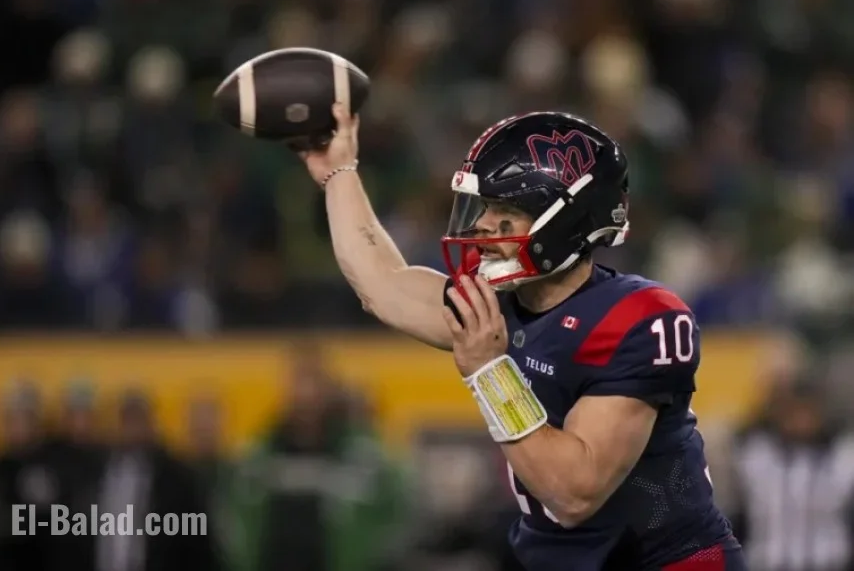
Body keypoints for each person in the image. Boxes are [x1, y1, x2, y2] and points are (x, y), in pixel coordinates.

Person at [297, 104, 746, 570]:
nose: (485, 225)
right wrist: (339, 173)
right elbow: (383, 285)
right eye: (487, 207)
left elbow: (575, 493)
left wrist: (490, 373)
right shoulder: (497, 305)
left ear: (564, 223)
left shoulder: (640, 318)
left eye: (507, 212)